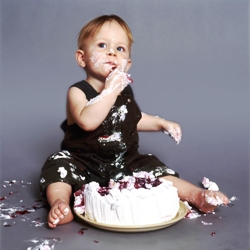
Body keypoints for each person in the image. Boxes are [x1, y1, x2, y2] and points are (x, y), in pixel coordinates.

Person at [39, 14, 229, 228]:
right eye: (102, 45)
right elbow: (87, 122)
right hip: (83, 163)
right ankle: (60, 204)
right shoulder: (78, 92)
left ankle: (197, 196)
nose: (111, 52)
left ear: (127, 64)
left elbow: (131, 119)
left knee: (154, 168)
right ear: (82, 58)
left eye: (120, 49)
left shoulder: (124, 91)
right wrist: (110, 91)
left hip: (124, 160)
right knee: (58, 166)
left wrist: (161, 123)